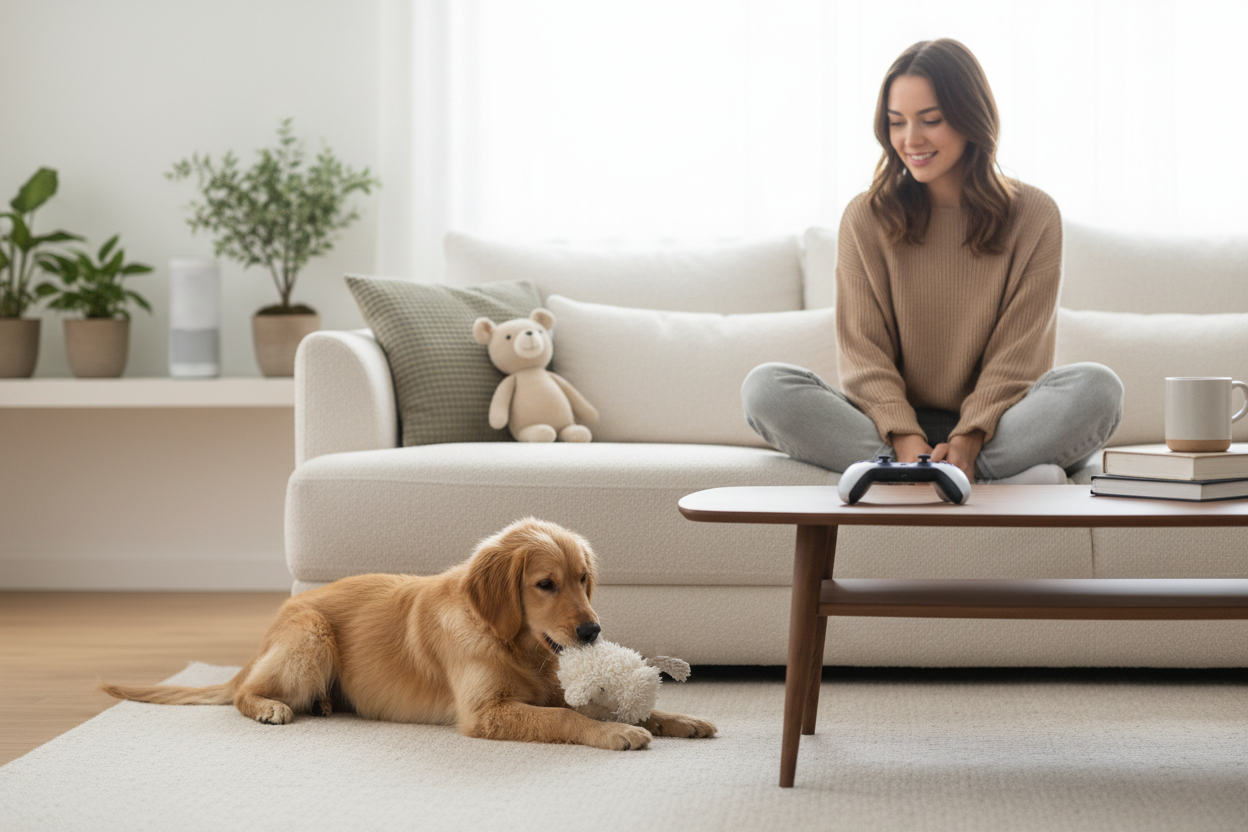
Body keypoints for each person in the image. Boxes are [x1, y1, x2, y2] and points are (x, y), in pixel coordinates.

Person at [741, 38, 1123, 484]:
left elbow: (1018, 357)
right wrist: (905, 437)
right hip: (888, 429)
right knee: (765, 389)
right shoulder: (866, 218)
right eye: (896, 122)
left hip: (998, 426)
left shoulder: (1034, 215)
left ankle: (941, 472)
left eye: (931, 120)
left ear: (970, 118)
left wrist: (968, 438)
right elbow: (865, 356)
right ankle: (954, 474)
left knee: (1098, 389)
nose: (910, 139)